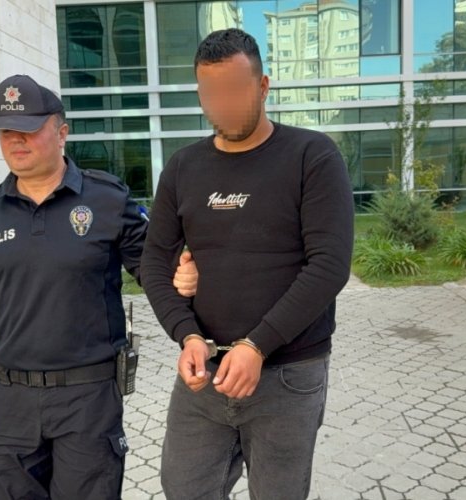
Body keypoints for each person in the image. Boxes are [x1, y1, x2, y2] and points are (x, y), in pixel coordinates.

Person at [0, 74, 198, 500]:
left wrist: (182, 279)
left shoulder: (106, 200)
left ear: (61, 134)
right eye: (6, 131)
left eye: (28, 129)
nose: (16, 141)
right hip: (12, 400)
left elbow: (153, 268)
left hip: (87, 399)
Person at [141, 29, 354, 499]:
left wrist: (257, 345)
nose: (223, 103)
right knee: (184, 488)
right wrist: (185, 334)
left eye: (235, 88)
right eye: (210, 92)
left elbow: (329, 264)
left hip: (288, 373)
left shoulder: (311, 156)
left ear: (262, 85)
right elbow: (154, 260)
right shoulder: (183, 167)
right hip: (205, 374)